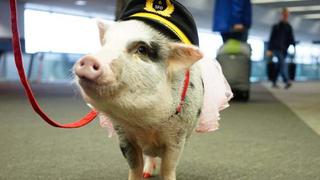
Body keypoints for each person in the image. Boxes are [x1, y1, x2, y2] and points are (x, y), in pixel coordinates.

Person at [267, 8, 295, 89]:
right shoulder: (276, 26)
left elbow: (291, 39)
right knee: (282, 63)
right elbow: (271, 38)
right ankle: (287, 81)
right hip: (276, 49)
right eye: (284, 14)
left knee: (279, 66)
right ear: (281, 15)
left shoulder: (289, 27)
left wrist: (293, 48)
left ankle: (274, 82)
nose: (285, 16)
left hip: (284, 50)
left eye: (287, 15)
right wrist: (269, 49)